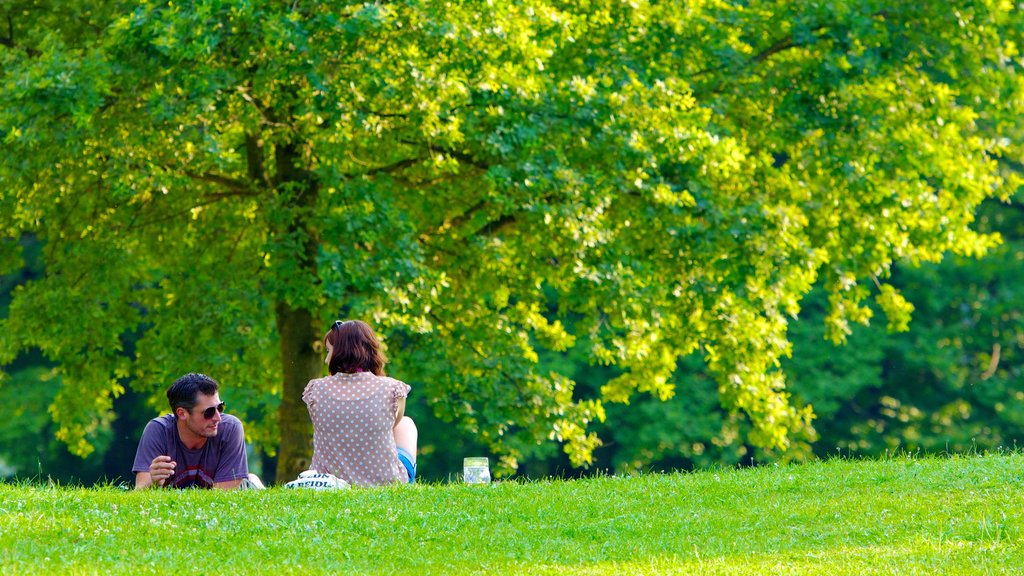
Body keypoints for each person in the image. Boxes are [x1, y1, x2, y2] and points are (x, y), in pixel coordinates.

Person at [303, 319, 418, 486]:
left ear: (340, 352)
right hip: (386, 482)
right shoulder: (392, 389)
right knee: (405, 424)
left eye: (329, 351)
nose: (327, 360)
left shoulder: (316, 390)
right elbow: (393, 425)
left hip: (329, 484)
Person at [132, 372, 264, 489]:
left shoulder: (231, 428)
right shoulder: (158, 430)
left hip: (229, 499)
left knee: (251, 487)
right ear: (182, 413)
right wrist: (153, 484)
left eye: (220, 408)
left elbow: (224, 498)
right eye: (209, 412)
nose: (217, 417)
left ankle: (255, 484)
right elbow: (140, 492)